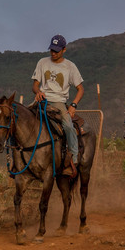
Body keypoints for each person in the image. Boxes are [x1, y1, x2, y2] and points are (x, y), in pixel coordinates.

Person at [31, 34, 84, 178]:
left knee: (68, 126)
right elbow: (35, 85)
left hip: (59, 102)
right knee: (21, 118)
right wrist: (38, 92)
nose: (53, 53)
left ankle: (73, 159)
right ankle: (18, 159)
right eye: (52, 50)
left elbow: (81, 89)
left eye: (56, 50)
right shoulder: (42, 62)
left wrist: (73, 106)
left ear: (64, 50)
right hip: (41, 100)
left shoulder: (70, 66)